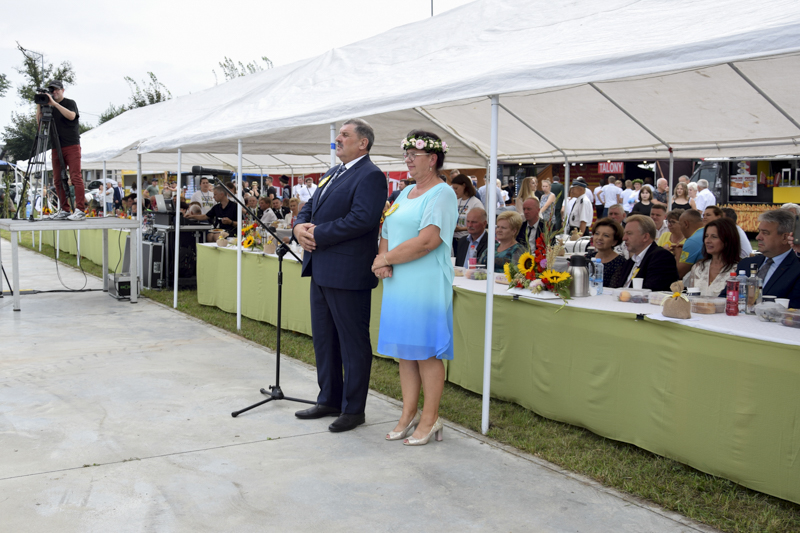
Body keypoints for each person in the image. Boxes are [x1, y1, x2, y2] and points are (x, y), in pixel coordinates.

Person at [293, 118, 387, 433]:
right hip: (320, 268)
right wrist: (298, 228)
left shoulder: (371, 175)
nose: (338, 139)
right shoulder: (331, 173)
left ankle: (353, 409)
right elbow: (309, 209)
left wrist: (317, 233)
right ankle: (329, 399)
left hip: (347, 271)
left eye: (345, 135)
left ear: (364, 143)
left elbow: (362, 219)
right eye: (338, 135)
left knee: (352, 342)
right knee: (324, 339)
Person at [373, 129, 456, 446]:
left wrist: (386, 257)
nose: (407, 160)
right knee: (406, 353)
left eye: (413, 154)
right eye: (406, 154)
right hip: (399, 281)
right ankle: (407, 414)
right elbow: (388, 228)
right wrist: (383, 258)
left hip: (425, 281)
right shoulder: (404, 193)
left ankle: (431, 418)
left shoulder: (442, 194)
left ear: (432, 159)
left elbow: (427, 241)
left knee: (425, 351)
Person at [37, 80, 86, 220]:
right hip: (56, 146)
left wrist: (54, 104)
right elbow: (40, 124)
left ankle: (80, 210)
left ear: (63, 90)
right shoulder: (49, 107)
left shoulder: (70, 103)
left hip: (71, 144)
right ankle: (64, 209)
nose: (55, 92)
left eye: (57, 90)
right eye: (52, 90)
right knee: (57, 179)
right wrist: (40, 105)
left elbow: (71, 116)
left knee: (75, 177)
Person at [736, 209, 800, 308]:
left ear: (785, 238)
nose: (758, 237)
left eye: (765, 233)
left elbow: (795, 309)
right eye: (759, 232)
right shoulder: (746, 264)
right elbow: (726, 296)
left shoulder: (796, 269)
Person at [619, 215, 680, 291]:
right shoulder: (630, 262)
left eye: (629, 233)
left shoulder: (661, 258)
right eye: (625, 233)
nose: (624, 238)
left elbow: (652, 291)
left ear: (645, 237)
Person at [684, 218, 741, 296]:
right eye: (706, 236)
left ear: (728, 240)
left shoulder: (737, 269)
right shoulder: (699, 267)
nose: (708, 240)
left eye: (714, 237)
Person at [451, 174, 483, 256]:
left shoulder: (476, 203)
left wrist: (461, 229)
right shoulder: (456, 201)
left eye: (456, 188)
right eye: (453, 188)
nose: (454, 191)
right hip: (453, 239)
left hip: (467, 240)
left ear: (464, 186)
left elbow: (481, 224)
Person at [591, 217, 626, 287]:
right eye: (597, 233)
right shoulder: (589, 257)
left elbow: (614, 288)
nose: (599, 238)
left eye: (606, 235)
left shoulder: (620, 262)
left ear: (614, 242)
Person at [677, 209, 706, 278]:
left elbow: (679, 273)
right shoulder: (708, 232)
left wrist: (678, 253)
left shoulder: (692, 241)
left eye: (680, 225)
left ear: (686, 224)